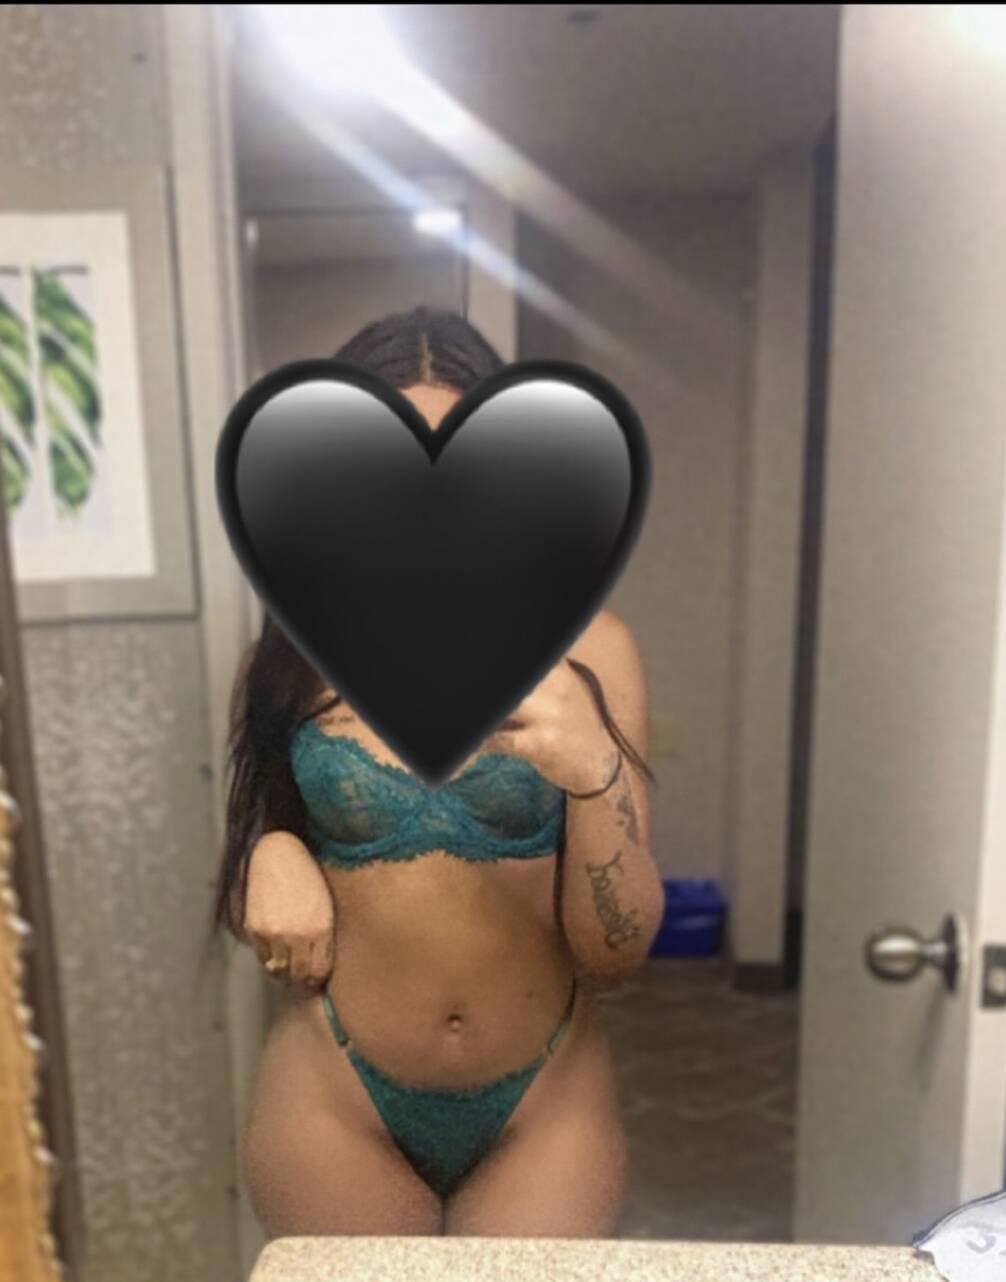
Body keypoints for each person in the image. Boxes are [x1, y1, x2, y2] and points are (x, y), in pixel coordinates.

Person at [212, 305, 664, 1238]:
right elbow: (260, 880)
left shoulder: (592, 650)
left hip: (544, 1099)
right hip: (336, 1097)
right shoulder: (287, 659)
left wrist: (593, 771)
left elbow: (617, 953)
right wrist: (268, 853)